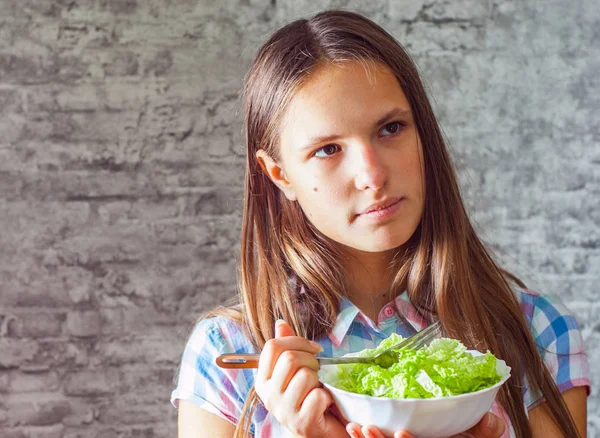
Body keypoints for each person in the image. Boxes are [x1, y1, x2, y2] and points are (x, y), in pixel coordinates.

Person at [172, 10, 590, 438]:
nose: (372, 174)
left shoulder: (537, 332)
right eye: (328, 149)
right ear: (279, 175)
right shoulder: (227, 354)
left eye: (391, 128)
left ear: (421, 131)